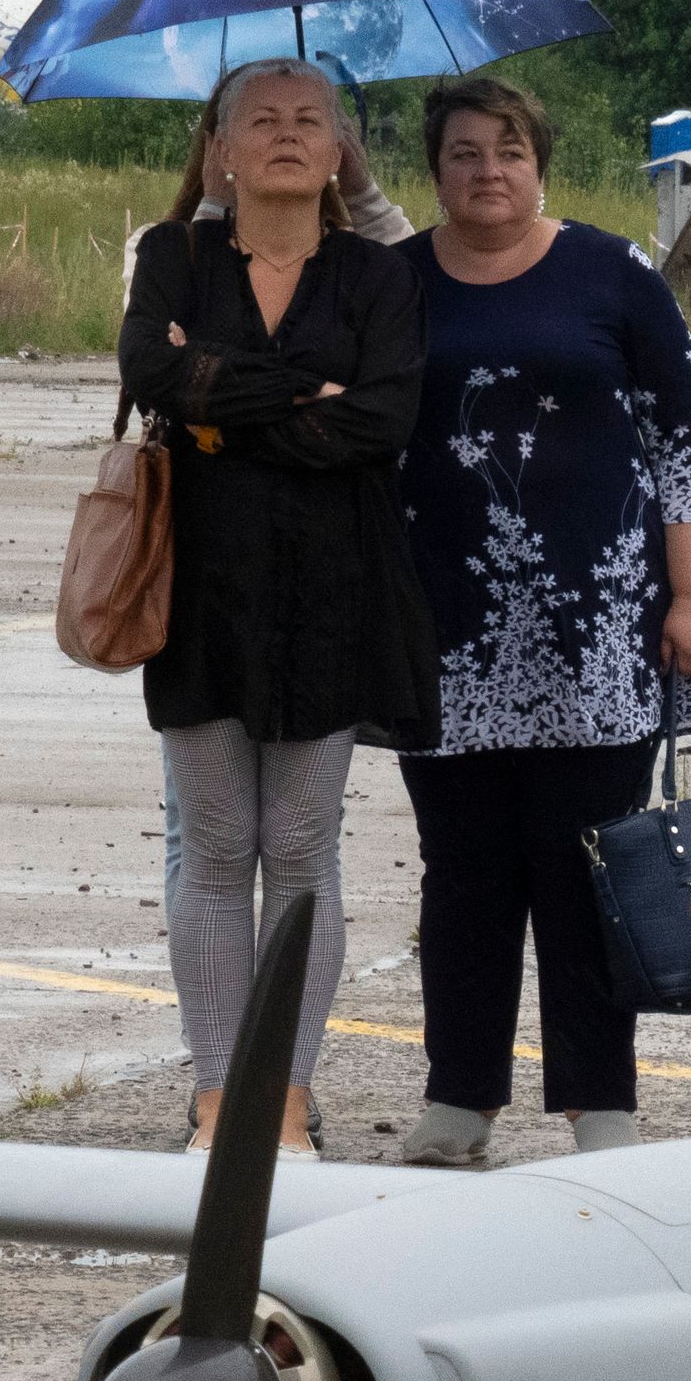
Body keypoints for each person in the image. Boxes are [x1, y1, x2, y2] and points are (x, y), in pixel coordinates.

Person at [388, 74, 691, 1167]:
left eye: (510, 151)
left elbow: (686, 438)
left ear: (542, 163)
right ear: (432, 170)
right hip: (443, 631)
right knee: (464, 875)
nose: (488, 171)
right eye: (463, 153)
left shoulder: (612, 271)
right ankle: (459, 1098)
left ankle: (601, 1102)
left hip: (600, 629)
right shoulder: (392, 285)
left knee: (588, 870)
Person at [118, 56, 434, 1154]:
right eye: (262, 119)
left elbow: (384, 423)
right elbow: (151, 380)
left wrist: (223, 398)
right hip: (198, 585)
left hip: (337, 588)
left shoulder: (380, 277)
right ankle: (217, 1100)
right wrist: (307, 395)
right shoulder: (174, 255)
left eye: (310, 118)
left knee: (300, 846)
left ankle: (287, 1102)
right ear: (221, 151)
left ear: (340, 149)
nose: (287, 134)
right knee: (211, 842)